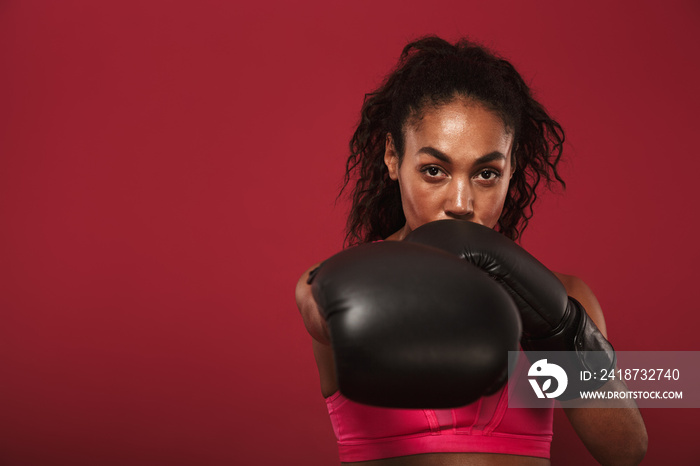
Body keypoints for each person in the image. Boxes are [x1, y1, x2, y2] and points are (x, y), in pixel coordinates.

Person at [296, 36, 647, 465]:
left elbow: (628, 451)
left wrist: (562, 329)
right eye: (434, 170)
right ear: (392, 157)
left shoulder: (563, 294)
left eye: (485, 173)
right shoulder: (352, 280)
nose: (461, 203)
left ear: (511, 169)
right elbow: (313, 301)